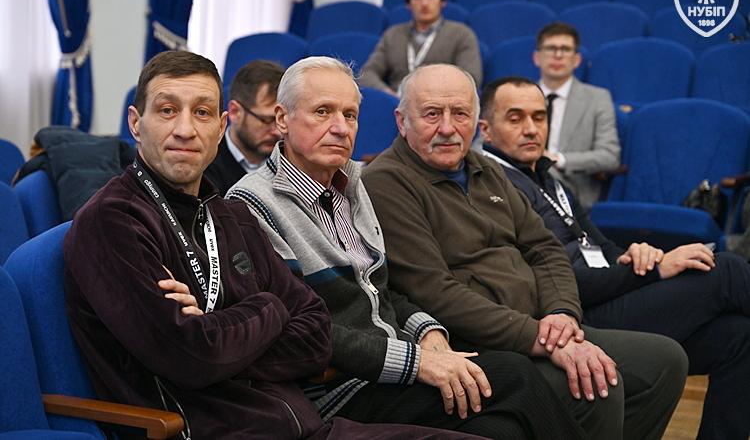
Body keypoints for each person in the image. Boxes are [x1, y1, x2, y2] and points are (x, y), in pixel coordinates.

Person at [63, 50, 486, 440]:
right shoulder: (113, 221)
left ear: (221, 127)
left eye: (202, 112)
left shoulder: (227, 214)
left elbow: (314, 334)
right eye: (168, 110)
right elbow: (190, 358)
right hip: (214, 430)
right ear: (136, 123)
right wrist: (270, 307)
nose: (185, 129)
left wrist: (220, 324)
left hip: (299, 424)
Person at [228, 56, 585, 439]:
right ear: (282, 119)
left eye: (350, 115)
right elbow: (302, 330)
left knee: (501, 429)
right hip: (330, 389)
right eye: (322, 112)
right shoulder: (251, 206)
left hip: (388, 365)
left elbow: (379, 293)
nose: (340, 127)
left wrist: (428, 332)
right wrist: (418, 362)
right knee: (515, 373)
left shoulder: (351, 185)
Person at [362, 63, 689, 440]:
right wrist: (539, 339)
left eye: (460, 114)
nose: (448, 128)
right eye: (432, 114)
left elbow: (545, 249)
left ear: (476, 122)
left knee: (664, 362)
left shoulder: (484, 168)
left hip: (542, 324)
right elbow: (435, 291)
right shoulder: (387, 182)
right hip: (477, 342)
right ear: (402, 121)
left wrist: (562, 314)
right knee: (597, 386)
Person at [479, 76, 750, 440]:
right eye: (516, 118)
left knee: (739, 337)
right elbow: (551, 283)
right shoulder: (495, 186)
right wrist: (654, 272)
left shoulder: (548, 179)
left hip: (612, 293)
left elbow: (602, 246)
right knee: (727, 270)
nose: (531, 129)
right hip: (576, 315)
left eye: (539, 117)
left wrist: (636, 256)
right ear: (486, 129)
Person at [533, 22, 620, 209]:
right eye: (551, 48)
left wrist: (558, 159)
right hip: (519, 185)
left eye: (565, 49)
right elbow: (482, 144)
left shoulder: (597, 98)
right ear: (537, 57)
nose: (558, 55)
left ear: (577, 60)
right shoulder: (517, 96)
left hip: (571, 192)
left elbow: (609, 156)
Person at [359, 0, 482, 95]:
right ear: (408, 4)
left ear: (443, 2)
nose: (424, 3)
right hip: (397, 101)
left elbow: (470, 78)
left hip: (440, 101)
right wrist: (388, 94)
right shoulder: (392, 35)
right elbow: (367, 74)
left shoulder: (462, 34)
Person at [205, 59, 284, 195]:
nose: (277, 131)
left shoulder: (293, 163)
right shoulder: (205, 165)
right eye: (266, 120)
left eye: (282, 120)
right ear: (235, 112)